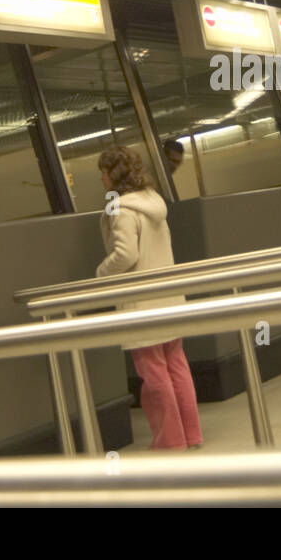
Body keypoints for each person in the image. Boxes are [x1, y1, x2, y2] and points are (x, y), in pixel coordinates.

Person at [95, 146, 202, 450]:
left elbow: (126, 254)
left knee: (153, 373)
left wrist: (101, 273)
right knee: (176, 365)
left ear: (113, 174)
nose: (101, 179)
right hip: (168, 296)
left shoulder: (121, 209)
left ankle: (171, 440)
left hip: (141, 301)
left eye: (103, 172)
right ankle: (191, 435)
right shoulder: (153, 201)